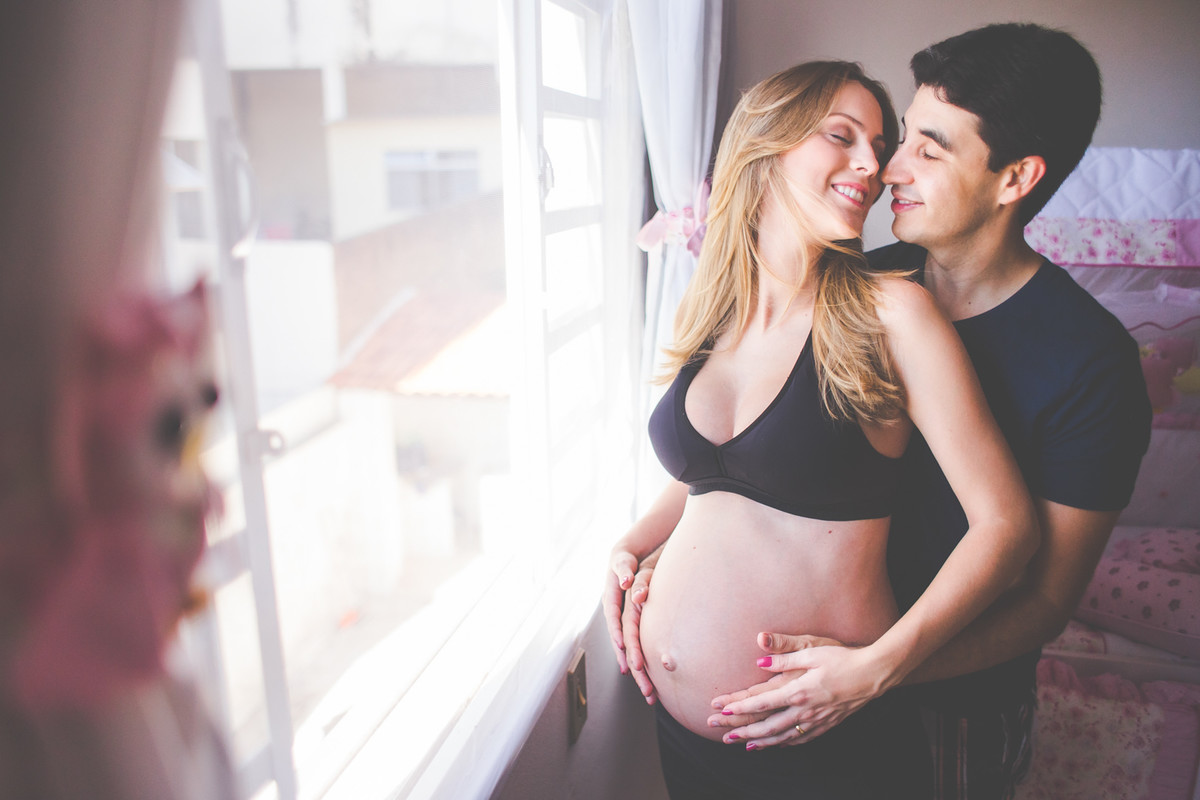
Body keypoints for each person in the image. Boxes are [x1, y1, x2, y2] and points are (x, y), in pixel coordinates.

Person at [671, 23, 1151, 800]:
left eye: (929, 149)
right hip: (806, 687)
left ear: (1013, 179)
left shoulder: (1090, 364)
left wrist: (877, 670)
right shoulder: (867, 280)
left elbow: (1044, 602)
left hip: (951, 702)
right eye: (900, 141)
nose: (888, 167)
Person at [605, 59, 1039, 799]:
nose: (872, 165)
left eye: (879, 143)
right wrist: (633, 542)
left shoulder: (891, 316)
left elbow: (1007, 527)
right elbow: (714, 479)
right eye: (842, 136)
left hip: (823, 745)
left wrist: (878, 668)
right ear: (766, 146)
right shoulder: (713, 313)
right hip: (684, 743)